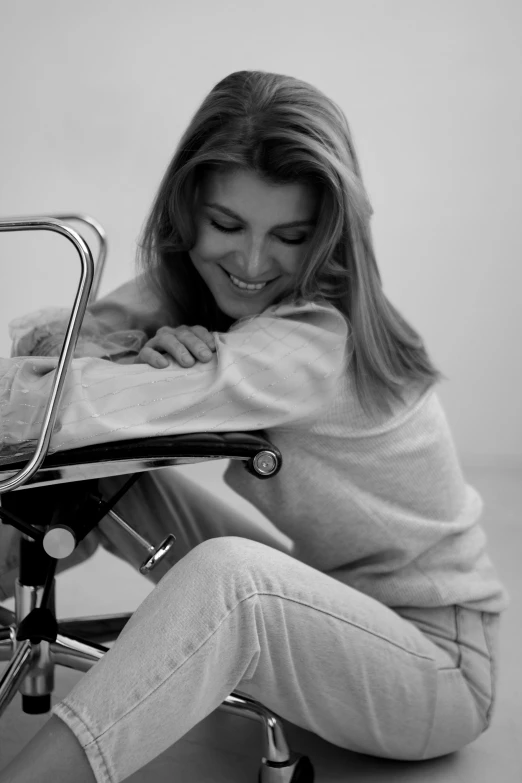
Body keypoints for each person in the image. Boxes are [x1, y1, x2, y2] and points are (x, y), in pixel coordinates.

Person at [0, 70, 509, 783]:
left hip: (434, 668)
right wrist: (134, 354)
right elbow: (46, 356)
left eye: (290, 235)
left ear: (328, 235)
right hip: (331, 597)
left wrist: (133, 375)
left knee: (229, 578)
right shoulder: (199, 284)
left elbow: (40, 410)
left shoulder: (310, 341)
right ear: (189, 208)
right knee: (106, 465)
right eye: (228, 224)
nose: (250, 262)